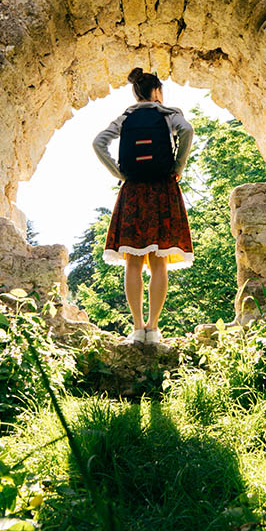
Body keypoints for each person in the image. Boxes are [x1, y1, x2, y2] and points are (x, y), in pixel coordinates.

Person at [92, 68, 194, 345]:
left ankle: (137, 328)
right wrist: (178, 166)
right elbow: (186, 130)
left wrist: (119, 173)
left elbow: (99, 142)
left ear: (136, 93)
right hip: (162, 188)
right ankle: (153, 328)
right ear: (157, 91)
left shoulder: (126, 117)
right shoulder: (167, 113)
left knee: (133, 263)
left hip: (134, 190)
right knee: (158, 262)